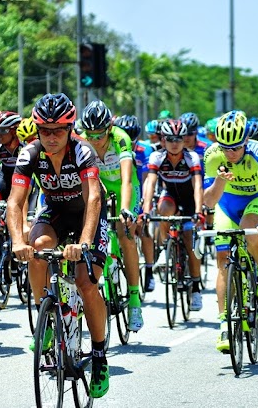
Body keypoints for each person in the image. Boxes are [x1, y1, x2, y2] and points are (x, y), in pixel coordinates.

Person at [7, 93, 110, 398]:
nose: (51, 137)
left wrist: (85, 242)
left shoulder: (83, 152)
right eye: (45, 131)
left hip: (87, 216)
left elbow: (93, 198)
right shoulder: (30, 154)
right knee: (38, 249)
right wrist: (16, 241)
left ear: (70, 129)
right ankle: (47, 314)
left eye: (58, 131)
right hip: (55, 212)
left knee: (86, 282)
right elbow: (15, 201)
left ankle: (100, 356)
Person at [203, 110, 258, 352]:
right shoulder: (213, 154)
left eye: (235, 147)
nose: (230, 153)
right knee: (223, 260)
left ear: (245, 141)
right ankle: (224, 323)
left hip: (253, 201)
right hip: (227, 204)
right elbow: (209, 202)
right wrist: (221, 181)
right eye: (226, 147)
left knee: (250, 231)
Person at [80, 100, 144, 331]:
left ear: (108, 129)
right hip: (100, 188)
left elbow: (127, 179)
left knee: (125, 234)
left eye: (99, 135)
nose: (95, 140)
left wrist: (126, 210)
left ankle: (135, 300)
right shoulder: (81, 138)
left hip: (124, 187)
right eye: (91, 135)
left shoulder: (121, 138)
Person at [141, 119, 205, 310]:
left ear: (185, 140)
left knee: (188, 238)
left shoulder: (192, 157)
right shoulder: (157, 157)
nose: (174, 143)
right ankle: (164, 246)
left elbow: (197, 186)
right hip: (170, 197)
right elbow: (150, 184)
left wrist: (198, 211)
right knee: (163, 210)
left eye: (179, 139)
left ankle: (195, 288)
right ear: (163, 140)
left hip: (189, 201)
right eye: (170, 139)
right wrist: (145, 212)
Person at [115, 115, 158, 292]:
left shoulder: (145, 150)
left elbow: (148, 180)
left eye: (133, 138)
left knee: (142, 228)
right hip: (119, 190)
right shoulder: (114, 146)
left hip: (140, 189)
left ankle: (149, 271)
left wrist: (143, 205)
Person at [0, 111, 24, 202]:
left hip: (23, 176)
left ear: (14, 131)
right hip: (4, 175)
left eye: (3, 131)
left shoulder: (25, 144)